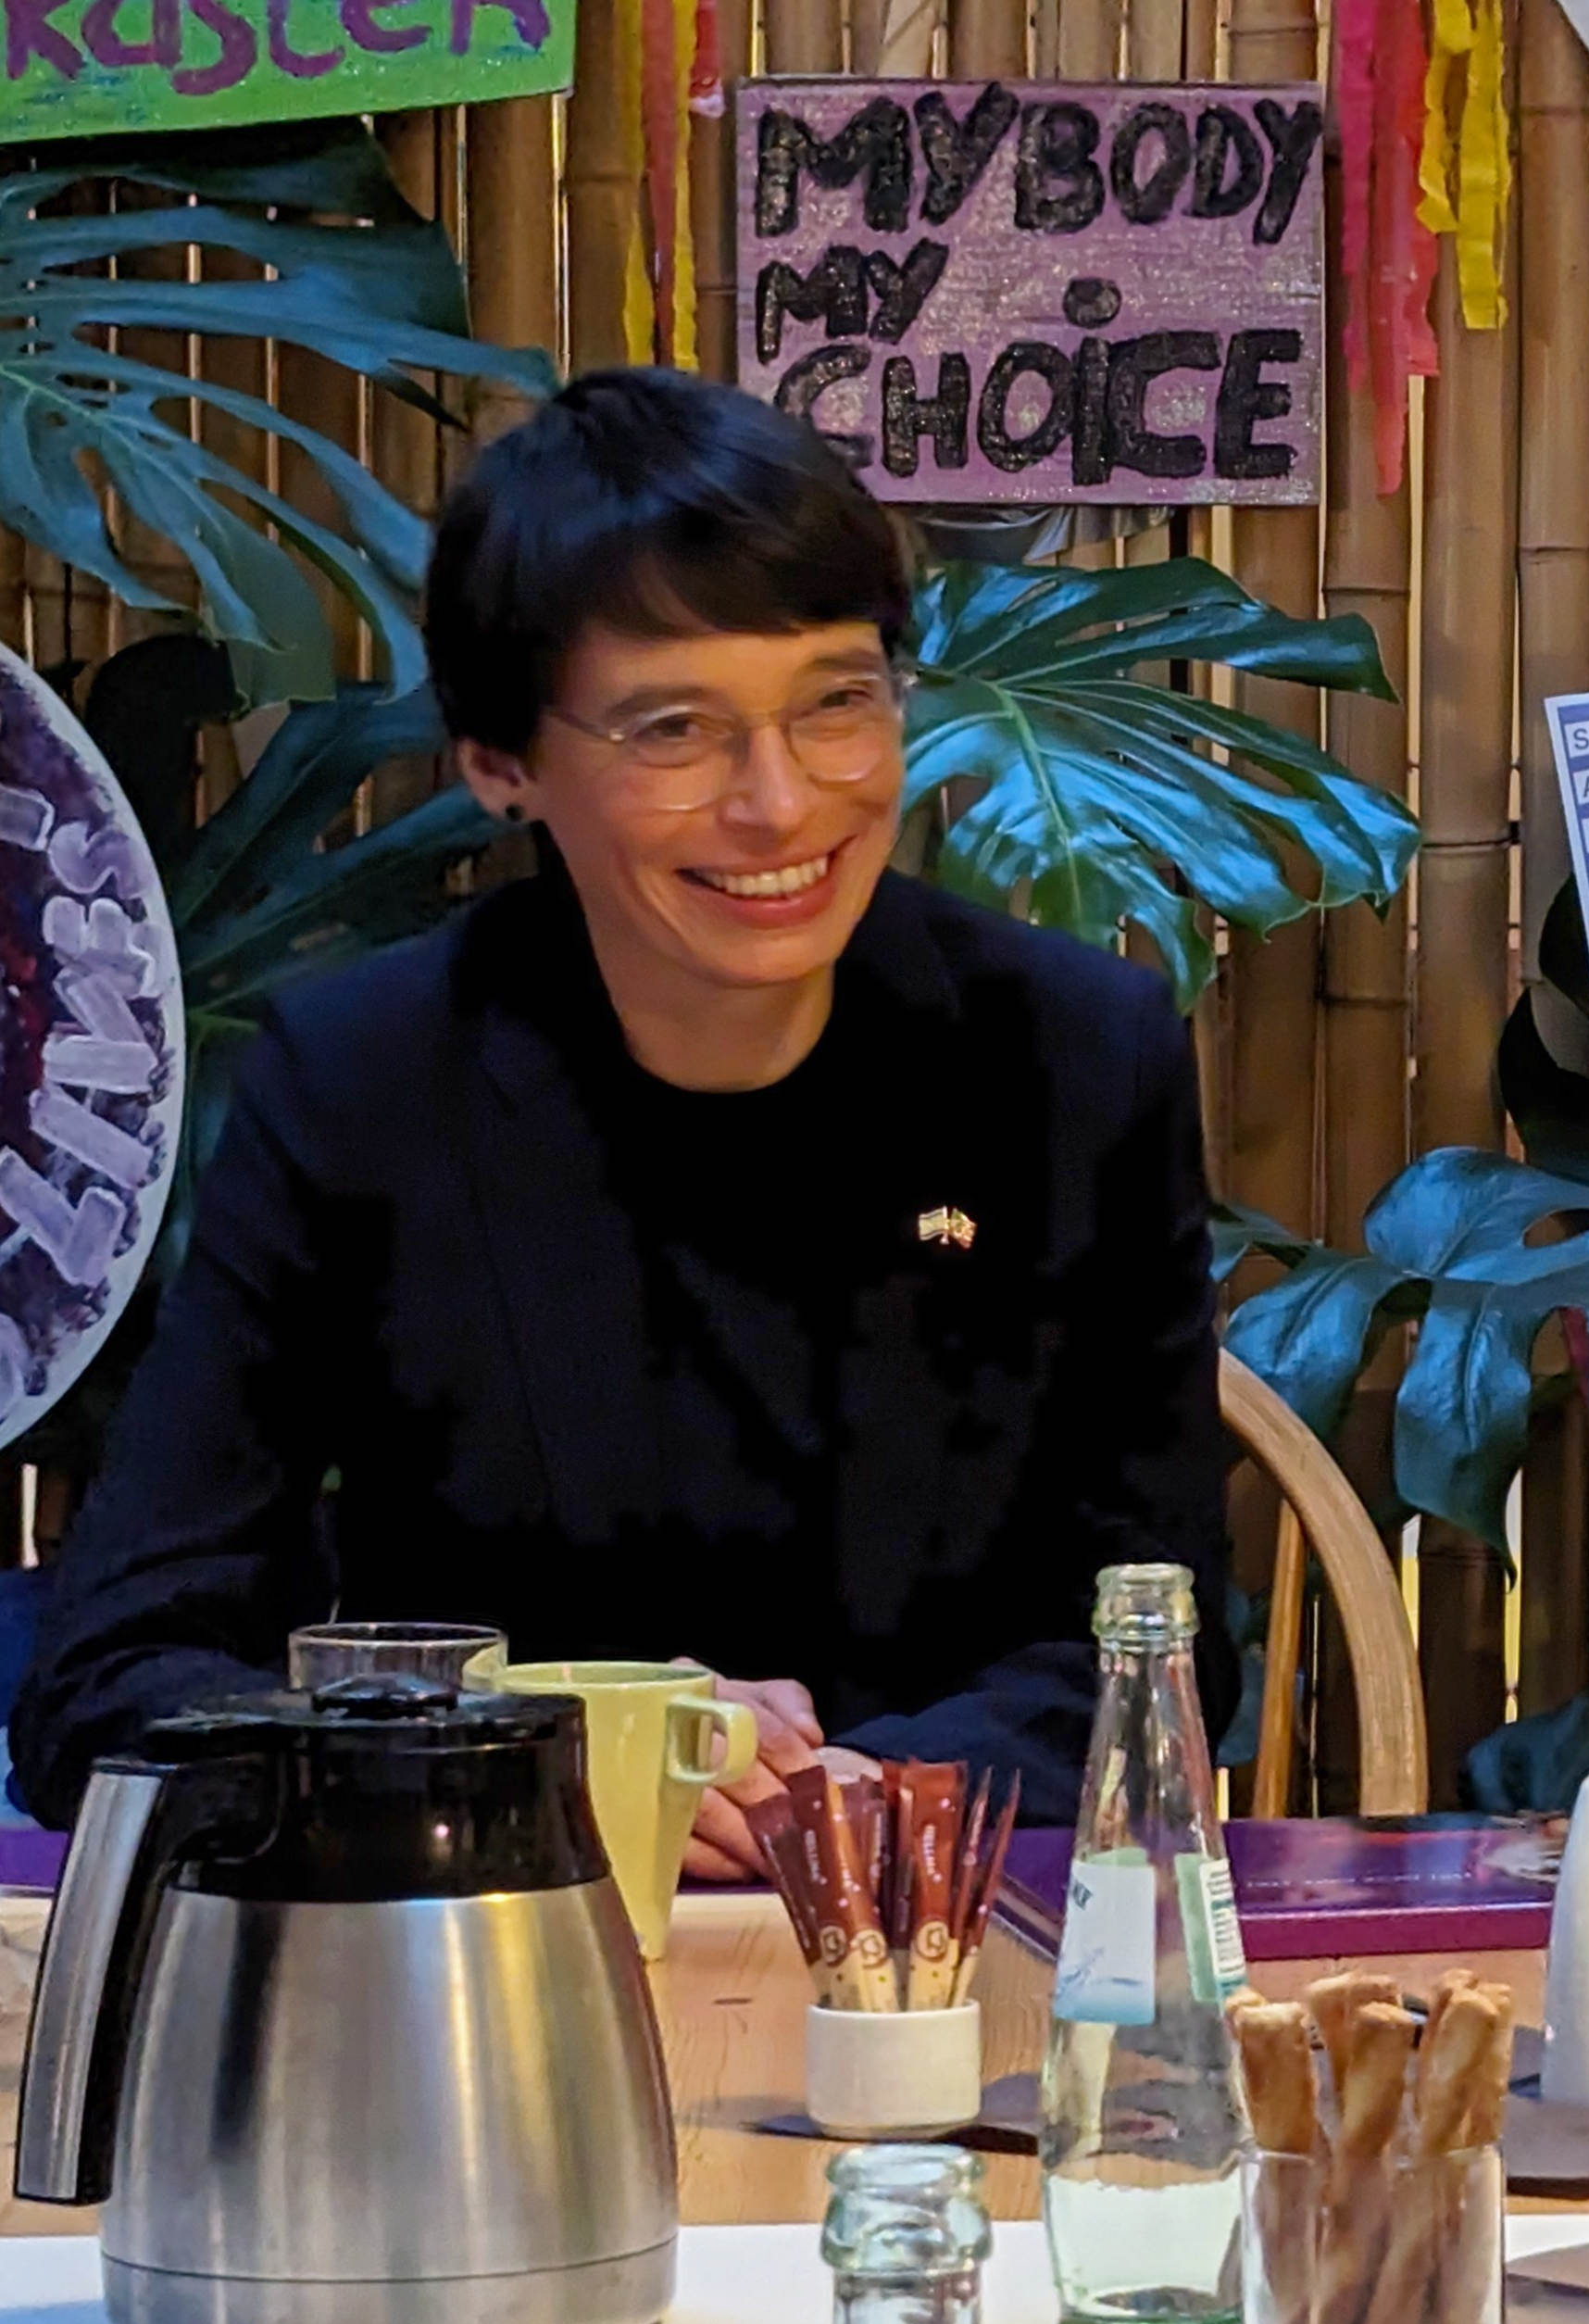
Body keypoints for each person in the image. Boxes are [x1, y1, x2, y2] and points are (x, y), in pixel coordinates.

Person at [10, 369, 1234, 1869]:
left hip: (947, 1935)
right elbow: (110, 1684)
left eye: (839, 704)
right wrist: (524, 1760)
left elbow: (1154, 1644)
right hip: (484, 1952)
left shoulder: (1072, 1060)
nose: (781, 804)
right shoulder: (366, 1080)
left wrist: (847, 1794)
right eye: (675, 732)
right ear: (501, 763)